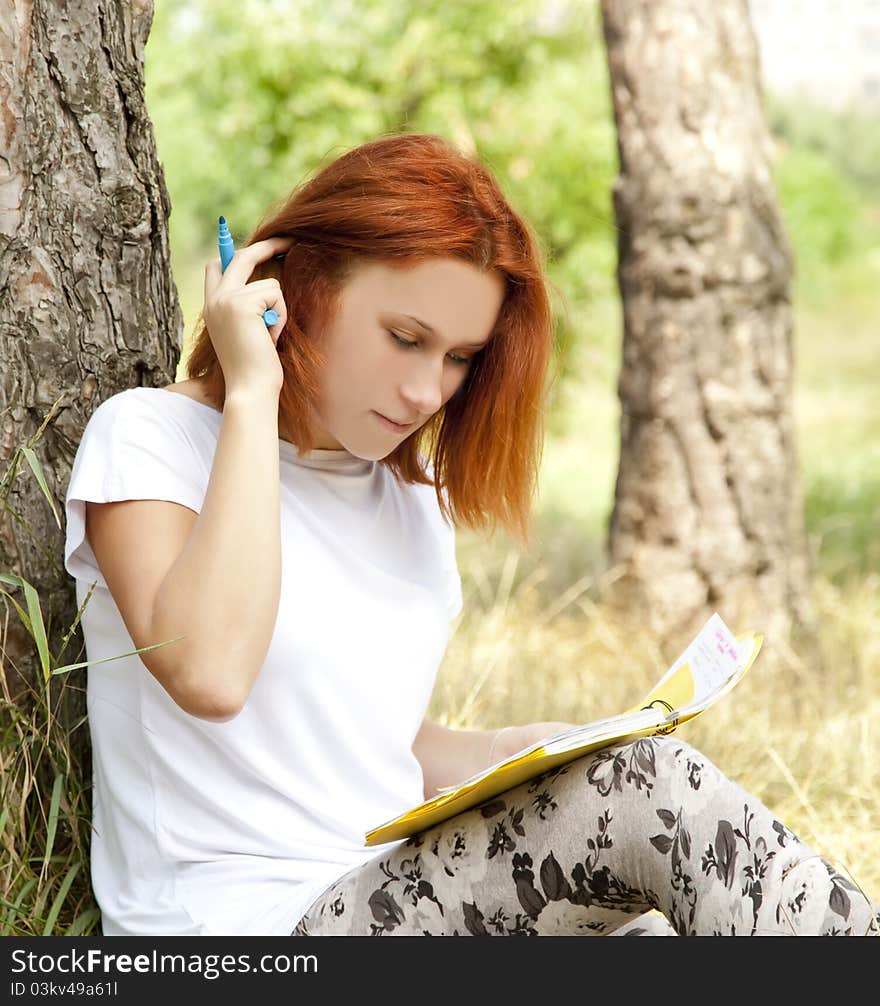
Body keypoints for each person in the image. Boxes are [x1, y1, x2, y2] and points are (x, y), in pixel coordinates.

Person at [64, 133, 878, 937]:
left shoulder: (416, 505)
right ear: (303, 285)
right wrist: (249, 394)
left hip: (393, 897)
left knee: (643, 922)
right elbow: (210, 671)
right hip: (240, 932)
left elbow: (362, 749)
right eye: (404, 338)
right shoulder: (150, 441)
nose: (426, 390)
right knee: (646, 795)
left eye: (459, 357)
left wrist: (534, 750)